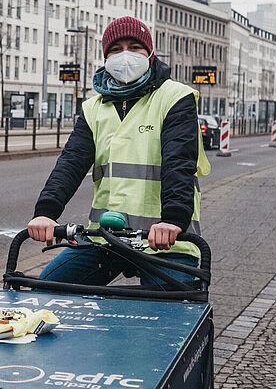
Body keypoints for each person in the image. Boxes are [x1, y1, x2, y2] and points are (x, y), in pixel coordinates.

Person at [27, 16, 210, 287]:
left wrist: (173, 220)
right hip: (107, 238)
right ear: (105, 57)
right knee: (50, 287)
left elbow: (179, 163)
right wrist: (46, 211)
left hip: (166, 239)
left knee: (168, 317)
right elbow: (70, 163)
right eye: (116, 49)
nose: (125, 55)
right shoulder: (93, 107)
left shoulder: (174, 98)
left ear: (150, 54)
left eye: (135, 47)